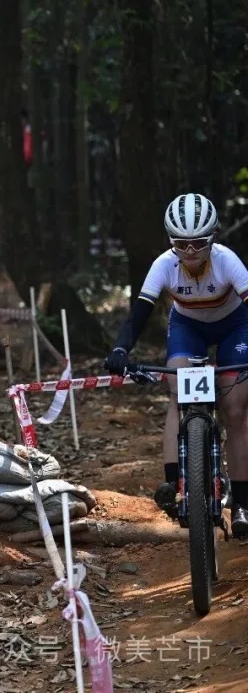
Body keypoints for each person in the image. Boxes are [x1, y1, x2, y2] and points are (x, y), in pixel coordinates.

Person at [103, 193, 248, 536]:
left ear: (212, 239)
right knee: (176, 391)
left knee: (235, 407)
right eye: (181, 244)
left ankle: (242, 501)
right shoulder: (163, 265)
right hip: (188, 327)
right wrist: (121, 349)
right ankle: (175, 483)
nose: (190, 252)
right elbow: (138, 315)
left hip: (234, 326)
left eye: (198, 243)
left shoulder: (228, 262)